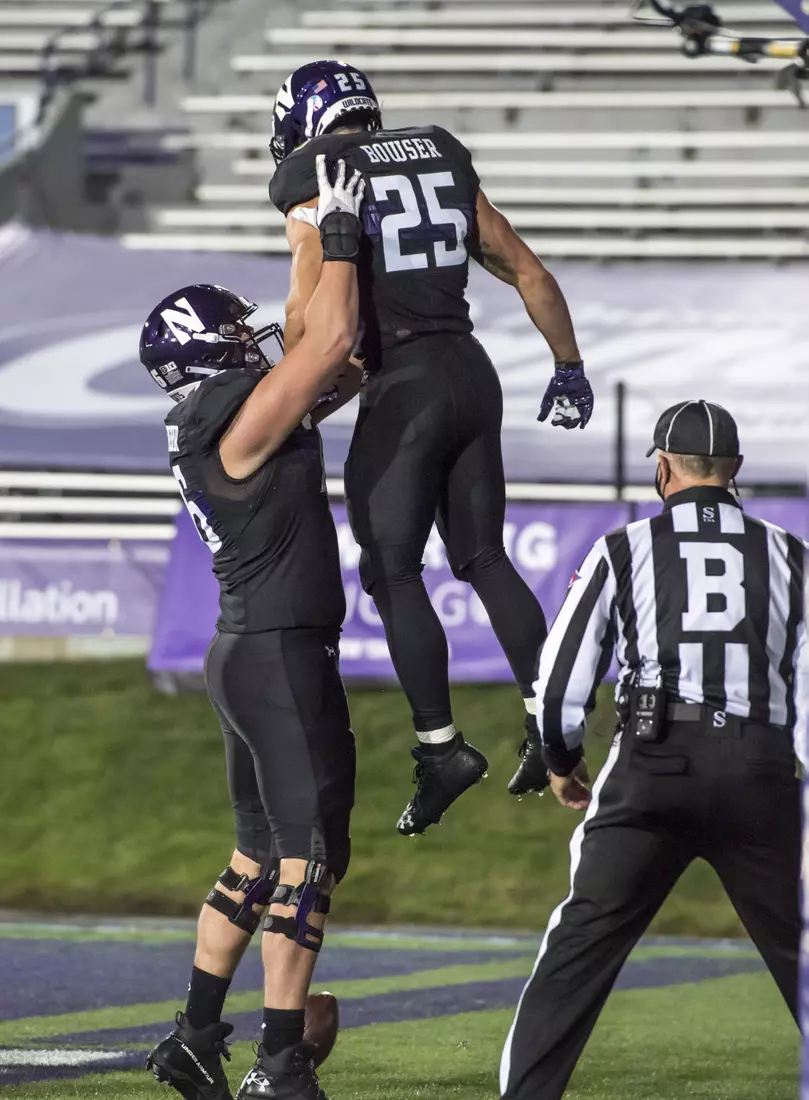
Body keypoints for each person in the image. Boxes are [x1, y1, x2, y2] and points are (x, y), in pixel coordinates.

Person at [268, 59, 593, 836]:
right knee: (483, 558)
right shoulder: (437, 151)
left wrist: (291, 393)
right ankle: (549, 724)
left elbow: (312, 310)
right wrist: (569, 366)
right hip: (471, 373)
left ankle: (440, 749)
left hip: (405, 385)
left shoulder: (315, 173)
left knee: (391, 569)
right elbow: (527, 268)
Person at [500, 399, 807, 1100]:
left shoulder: (624, 547)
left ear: (663, 469)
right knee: (800, 954)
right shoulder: (791, 555)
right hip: (759, 770)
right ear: (733, 471)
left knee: (575, 952)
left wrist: (559, 758)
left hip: (653, 763)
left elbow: (559, 682)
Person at [139, 158, 365, 1100]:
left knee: (259, 855)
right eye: (233, 335)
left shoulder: (215, 415)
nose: (251, 341)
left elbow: (334, 359)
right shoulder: (225, 415)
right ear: (204, 356)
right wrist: (332, 235)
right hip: (276, 650)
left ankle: (194, 1036)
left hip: (250, 648)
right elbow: (330, 344)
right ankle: (277, 1061)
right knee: (308, 857)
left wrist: (305, 241)